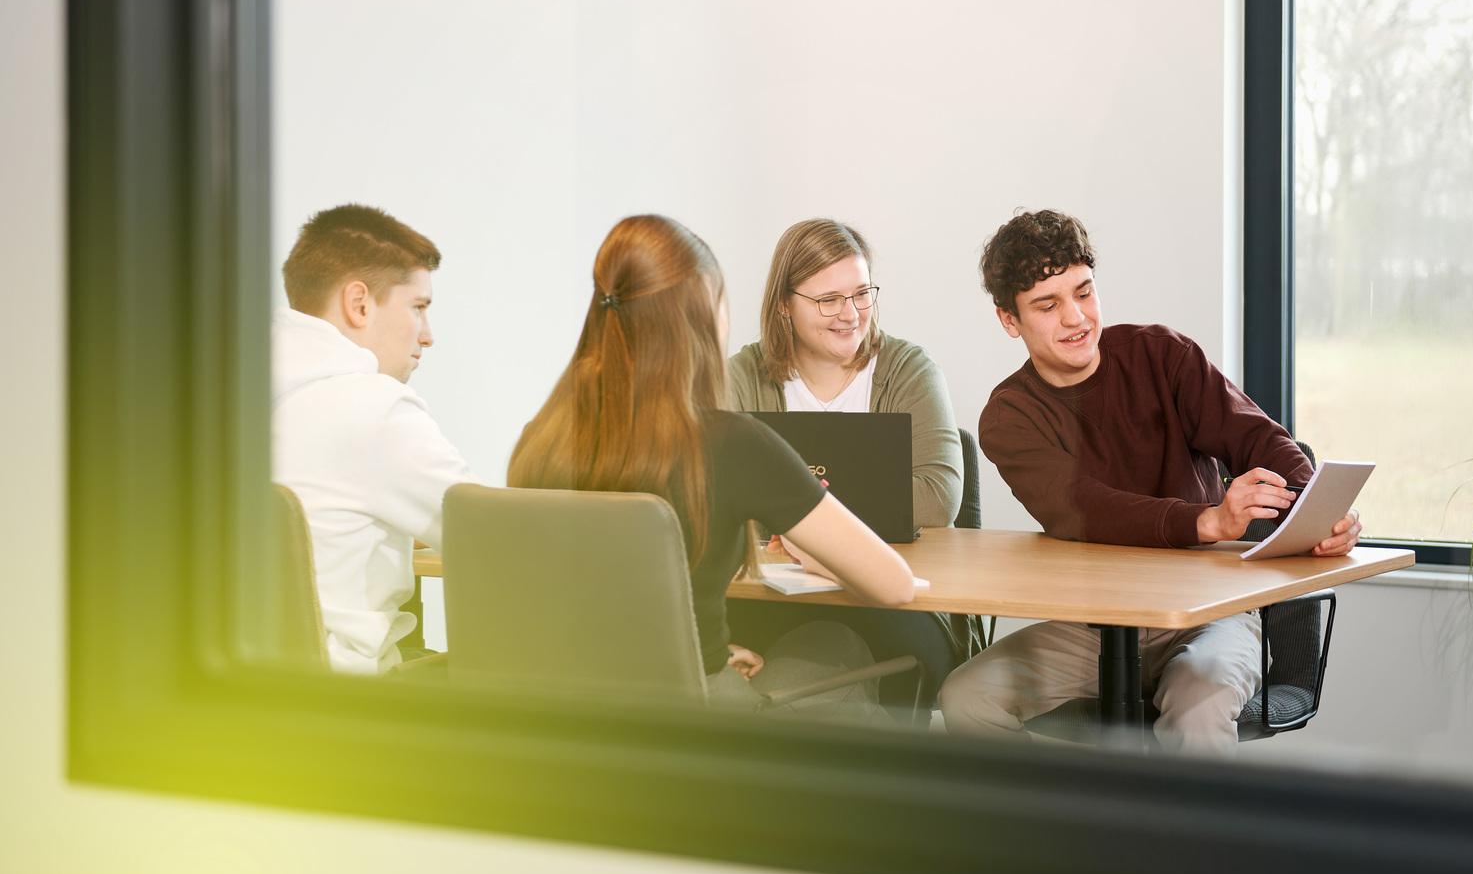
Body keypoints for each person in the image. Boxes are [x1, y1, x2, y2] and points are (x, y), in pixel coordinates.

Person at [937, 209, 1361, 754]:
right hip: (1093, 627)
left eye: (1084, 292)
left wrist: (1317, 514)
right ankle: (1052, 811)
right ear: (1009, 319)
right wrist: (1207, 522)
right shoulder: (1010, 416)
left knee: (1200, 702)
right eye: (1048, 305)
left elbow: (1261, 439)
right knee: (968, 697)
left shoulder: (1162, 355)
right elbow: (1083, 507)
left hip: (1209, 613)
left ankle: (1172, 817)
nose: (1076, 318)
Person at [507, 214, 916, 714]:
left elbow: (598, 598)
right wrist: (819, 557)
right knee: (833, 640)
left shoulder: (541, 440)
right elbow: (895, 585)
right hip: (693, 724)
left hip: (571, 713)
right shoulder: (733, 444)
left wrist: (710, 654)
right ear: (701, 316)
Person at [726, 218, 975, 717]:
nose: (850, 314)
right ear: (784, 304)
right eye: (828, 300)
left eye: (862, 294)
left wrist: (796, 521)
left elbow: (937, 496)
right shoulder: (743, 376)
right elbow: (717, 488)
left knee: (804, 685)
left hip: (892, 608)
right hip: (772, 600)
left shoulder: (908, 370)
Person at [271, 204, 476, 675]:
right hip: (356, 696)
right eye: (418, 308)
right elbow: (497, 537)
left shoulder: (231, 401)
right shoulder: (376, 409)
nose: (427, 336)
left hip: (252, 692)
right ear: (359, 304)